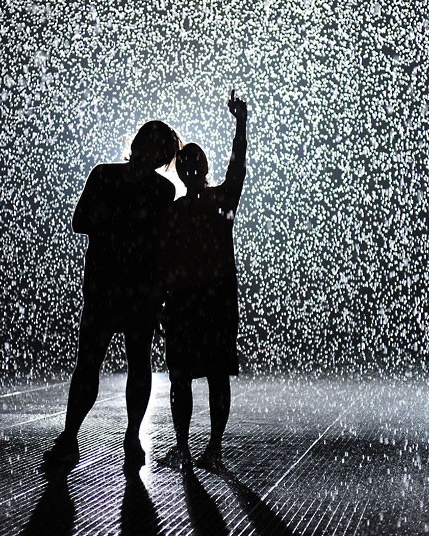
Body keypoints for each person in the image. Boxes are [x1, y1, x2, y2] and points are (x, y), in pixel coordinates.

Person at [42, 120, 180, 475]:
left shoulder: (105, 176)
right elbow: (162, 245)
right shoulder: (160, 190)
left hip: (107, 286)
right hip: (135, 290)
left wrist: (115, 223)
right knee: (132, 363)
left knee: (91, 364)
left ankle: (72, 437)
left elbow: (82, 221)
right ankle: (128, 438)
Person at [158, 90, 247, 472]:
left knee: (199, 376)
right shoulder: (212, 203)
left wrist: (241, 124)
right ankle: (204, 448)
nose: (190, 169)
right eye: (187, 163)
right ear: (182, 170)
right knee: (205, 375)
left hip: (200, 299)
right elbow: (166, 261)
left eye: (193, 162)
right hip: (205, 298)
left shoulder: (205, 203)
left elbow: (238, 165)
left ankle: (198, 448)